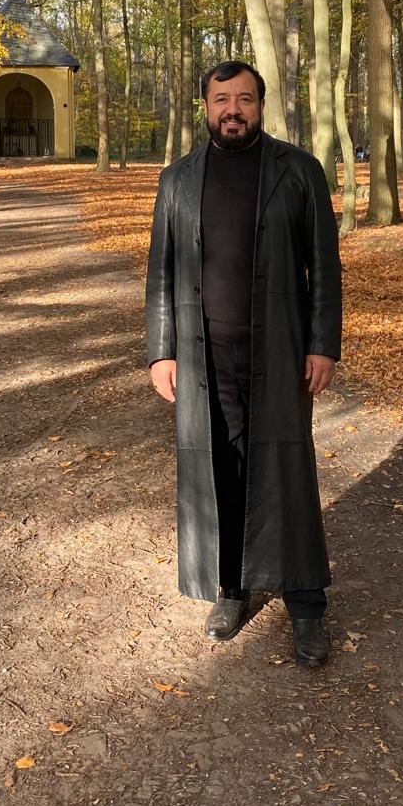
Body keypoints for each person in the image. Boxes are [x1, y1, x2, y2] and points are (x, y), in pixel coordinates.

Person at [145, 60, 343, 666]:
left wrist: (322, 343)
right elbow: (161, 272)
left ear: (261, 105)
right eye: (222, 99)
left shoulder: (298, 171)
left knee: (287, 469)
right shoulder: (177, 180)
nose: (233, 110)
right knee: (220, 471)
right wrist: (161, 350)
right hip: (204, 355)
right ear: (206, 107)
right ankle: (231, 589)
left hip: (280, 349)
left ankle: (305, 605)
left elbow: (323, 266)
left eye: (245, 99)